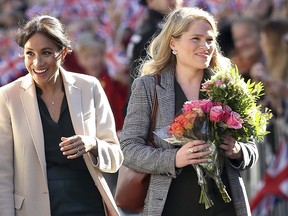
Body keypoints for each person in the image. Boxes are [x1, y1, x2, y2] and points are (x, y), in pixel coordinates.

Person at [120, 7, 258, 216]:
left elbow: (252, 149)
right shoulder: (148, 86)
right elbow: (128, 149)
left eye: (210, 40)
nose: (205, 46)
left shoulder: (228, 86)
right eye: (196, 38)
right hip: (171, 206)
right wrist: (173, 158)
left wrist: (237, 150)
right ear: (173, 43)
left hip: (226, 207)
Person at [0, 15, 123, 216]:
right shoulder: (7, 96)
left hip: (89, 205)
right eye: (29, 54)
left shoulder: (89, 87)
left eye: (46, 53)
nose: (37, 62)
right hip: (33, 209)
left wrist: (92, 144)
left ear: (63, 53)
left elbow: (116, 156)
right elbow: (2, 173)